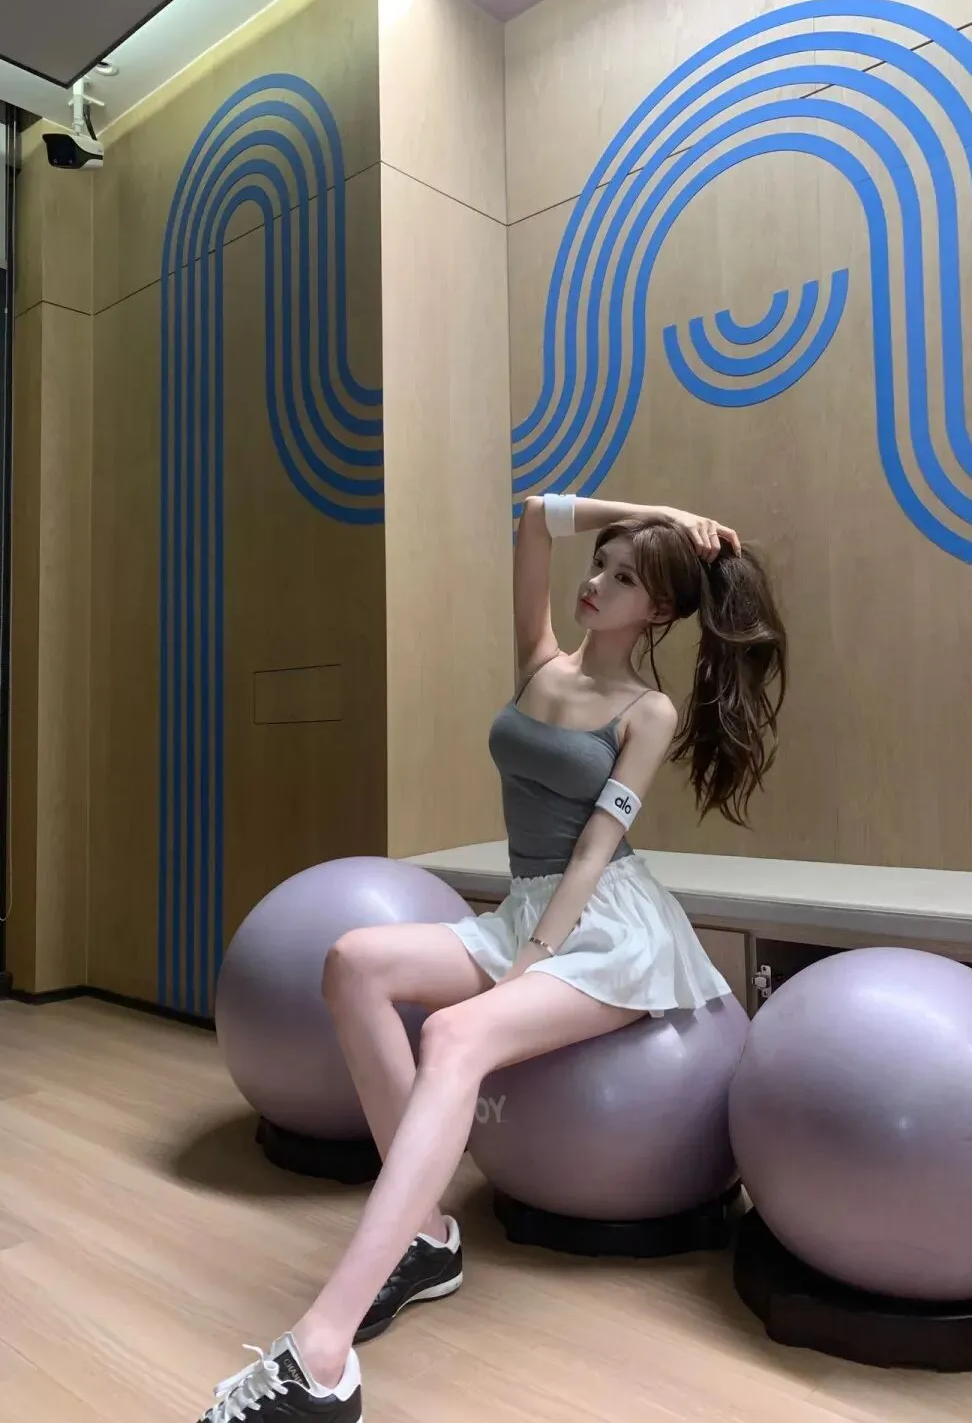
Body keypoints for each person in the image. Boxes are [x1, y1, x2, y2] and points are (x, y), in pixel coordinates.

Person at [197, 492, 787, 1422]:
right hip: (523, 910)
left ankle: (322, 1354)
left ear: (660, 612)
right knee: (352, 961)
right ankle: (426, 1234)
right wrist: (661, 514)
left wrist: (537, 957)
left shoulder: (648, 711)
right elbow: (535, 515)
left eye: (625, 580)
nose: (596, 583)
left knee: (454, 1038)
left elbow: (594, 849)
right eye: (602, 565)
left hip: (609, 930)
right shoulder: (540, 660)